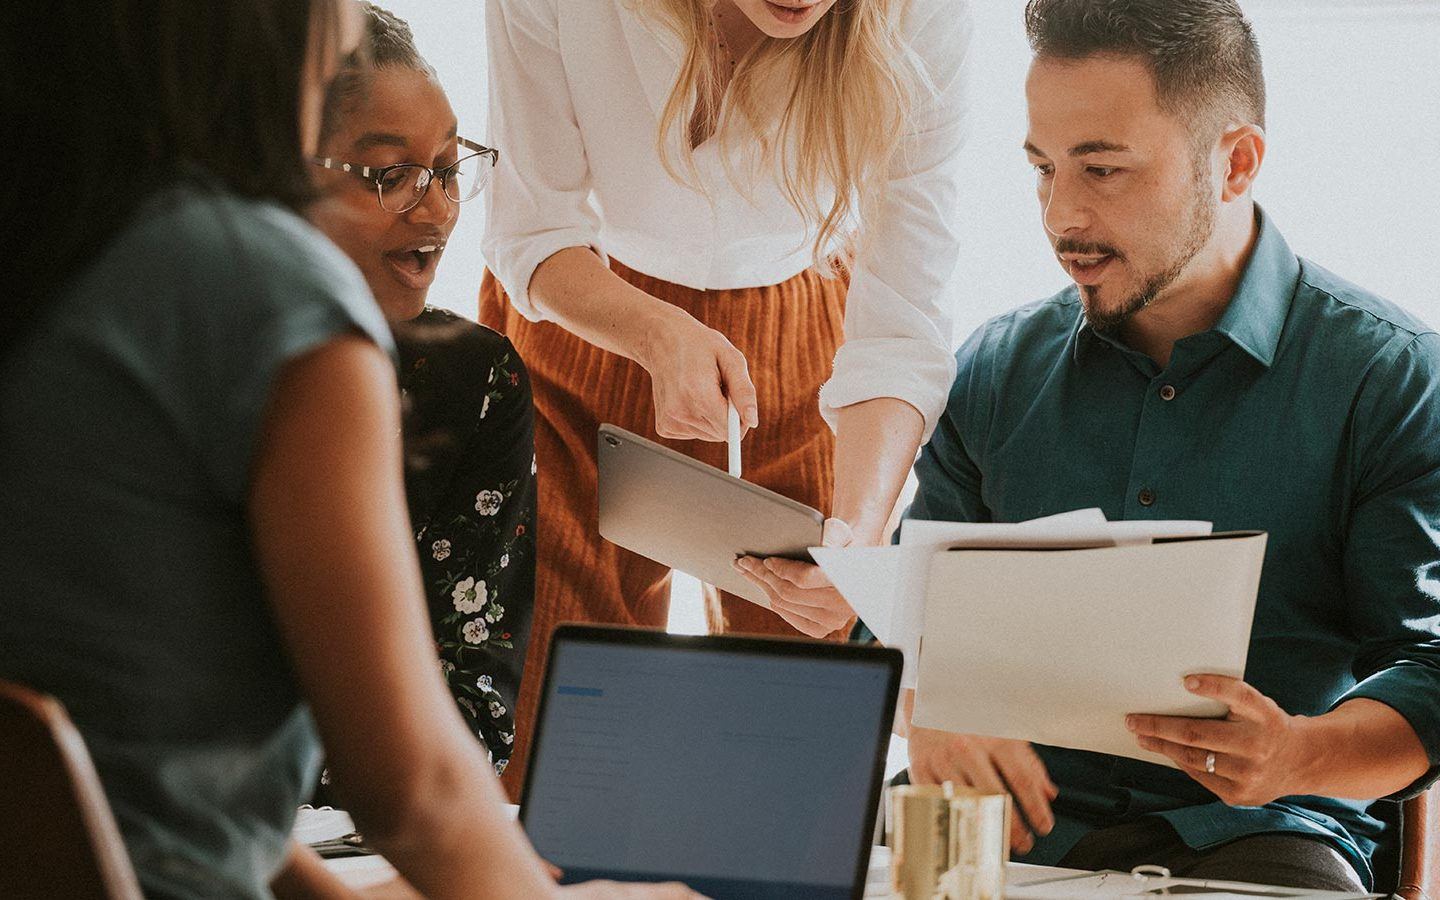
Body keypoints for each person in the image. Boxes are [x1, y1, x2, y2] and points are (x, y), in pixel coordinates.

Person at [0, 1, 693, 898]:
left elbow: (168, 799)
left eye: (446, 169)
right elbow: (416, 793)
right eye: (384, 170)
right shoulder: (266, 295)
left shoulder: (56, 256)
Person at [898, 0, 1440, 892]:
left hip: (1262, 836)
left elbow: (1428, 664)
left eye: (1103, 169)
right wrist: (924, 702)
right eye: (1043, 169)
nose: (1061, 214)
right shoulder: (992, 371)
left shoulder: (1388, 377)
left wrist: (1297, 756)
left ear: (1236, 163)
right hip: (995, 833)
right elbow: (909, 609)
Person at [483, 0, 971, 794]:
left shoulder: (921, 17)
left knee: (799, 761)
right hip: (583, 326)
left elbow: (902, 321)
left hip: (812, 353)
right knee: (553, 745)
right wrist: (652, 335)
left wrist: (858, 540)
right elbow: (531, 232)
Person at [308, 2, 534, 779]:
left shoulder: (476, 382)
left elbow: (475, 702)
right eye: (391, 176)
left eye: (446, 169)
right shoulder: (175, 361)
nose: (436, 210)